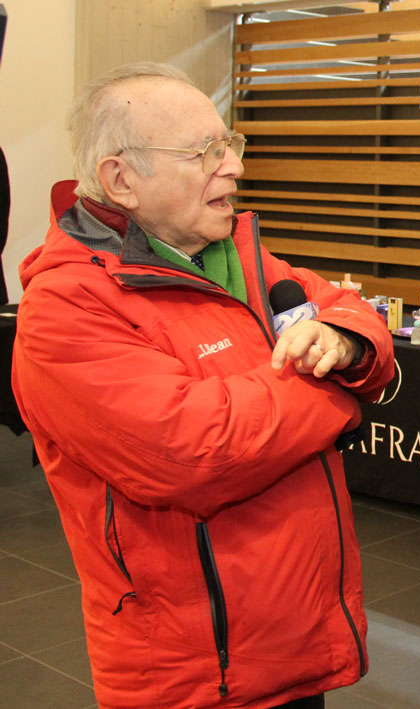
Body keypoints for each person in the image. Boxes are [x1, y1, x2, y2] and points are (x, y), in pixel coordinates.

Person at [11, 62, 395, 708]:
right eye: (203, 152)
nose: (233, 167)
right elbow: (196, 452)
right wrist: (338, 393)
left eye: (229, 144)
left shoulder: (234, 256)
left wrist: (347, 345)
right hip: (198, 672)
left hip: (297, 642)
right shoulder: (67, 307)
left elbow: (349, 312)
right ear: (121, 179)